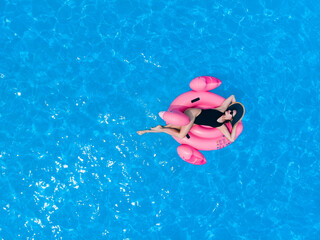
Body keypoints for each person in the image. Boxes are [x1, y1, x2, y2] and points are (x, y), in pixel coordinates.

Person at [137, 95, 239, 142]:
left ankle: (146, 131)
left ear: (230, 119)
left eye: (231, 113)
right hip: (191, 114)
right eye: (231, 110)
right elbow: (232, 97)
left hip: (192, 121)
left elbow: (231, 139)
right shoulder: (222, 109)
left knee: (171, 127)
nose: (229, 110)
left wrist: (235, 124)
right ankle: (161, 129)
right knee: (181, 135)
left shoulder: (221, 126)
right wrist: (236, 108)